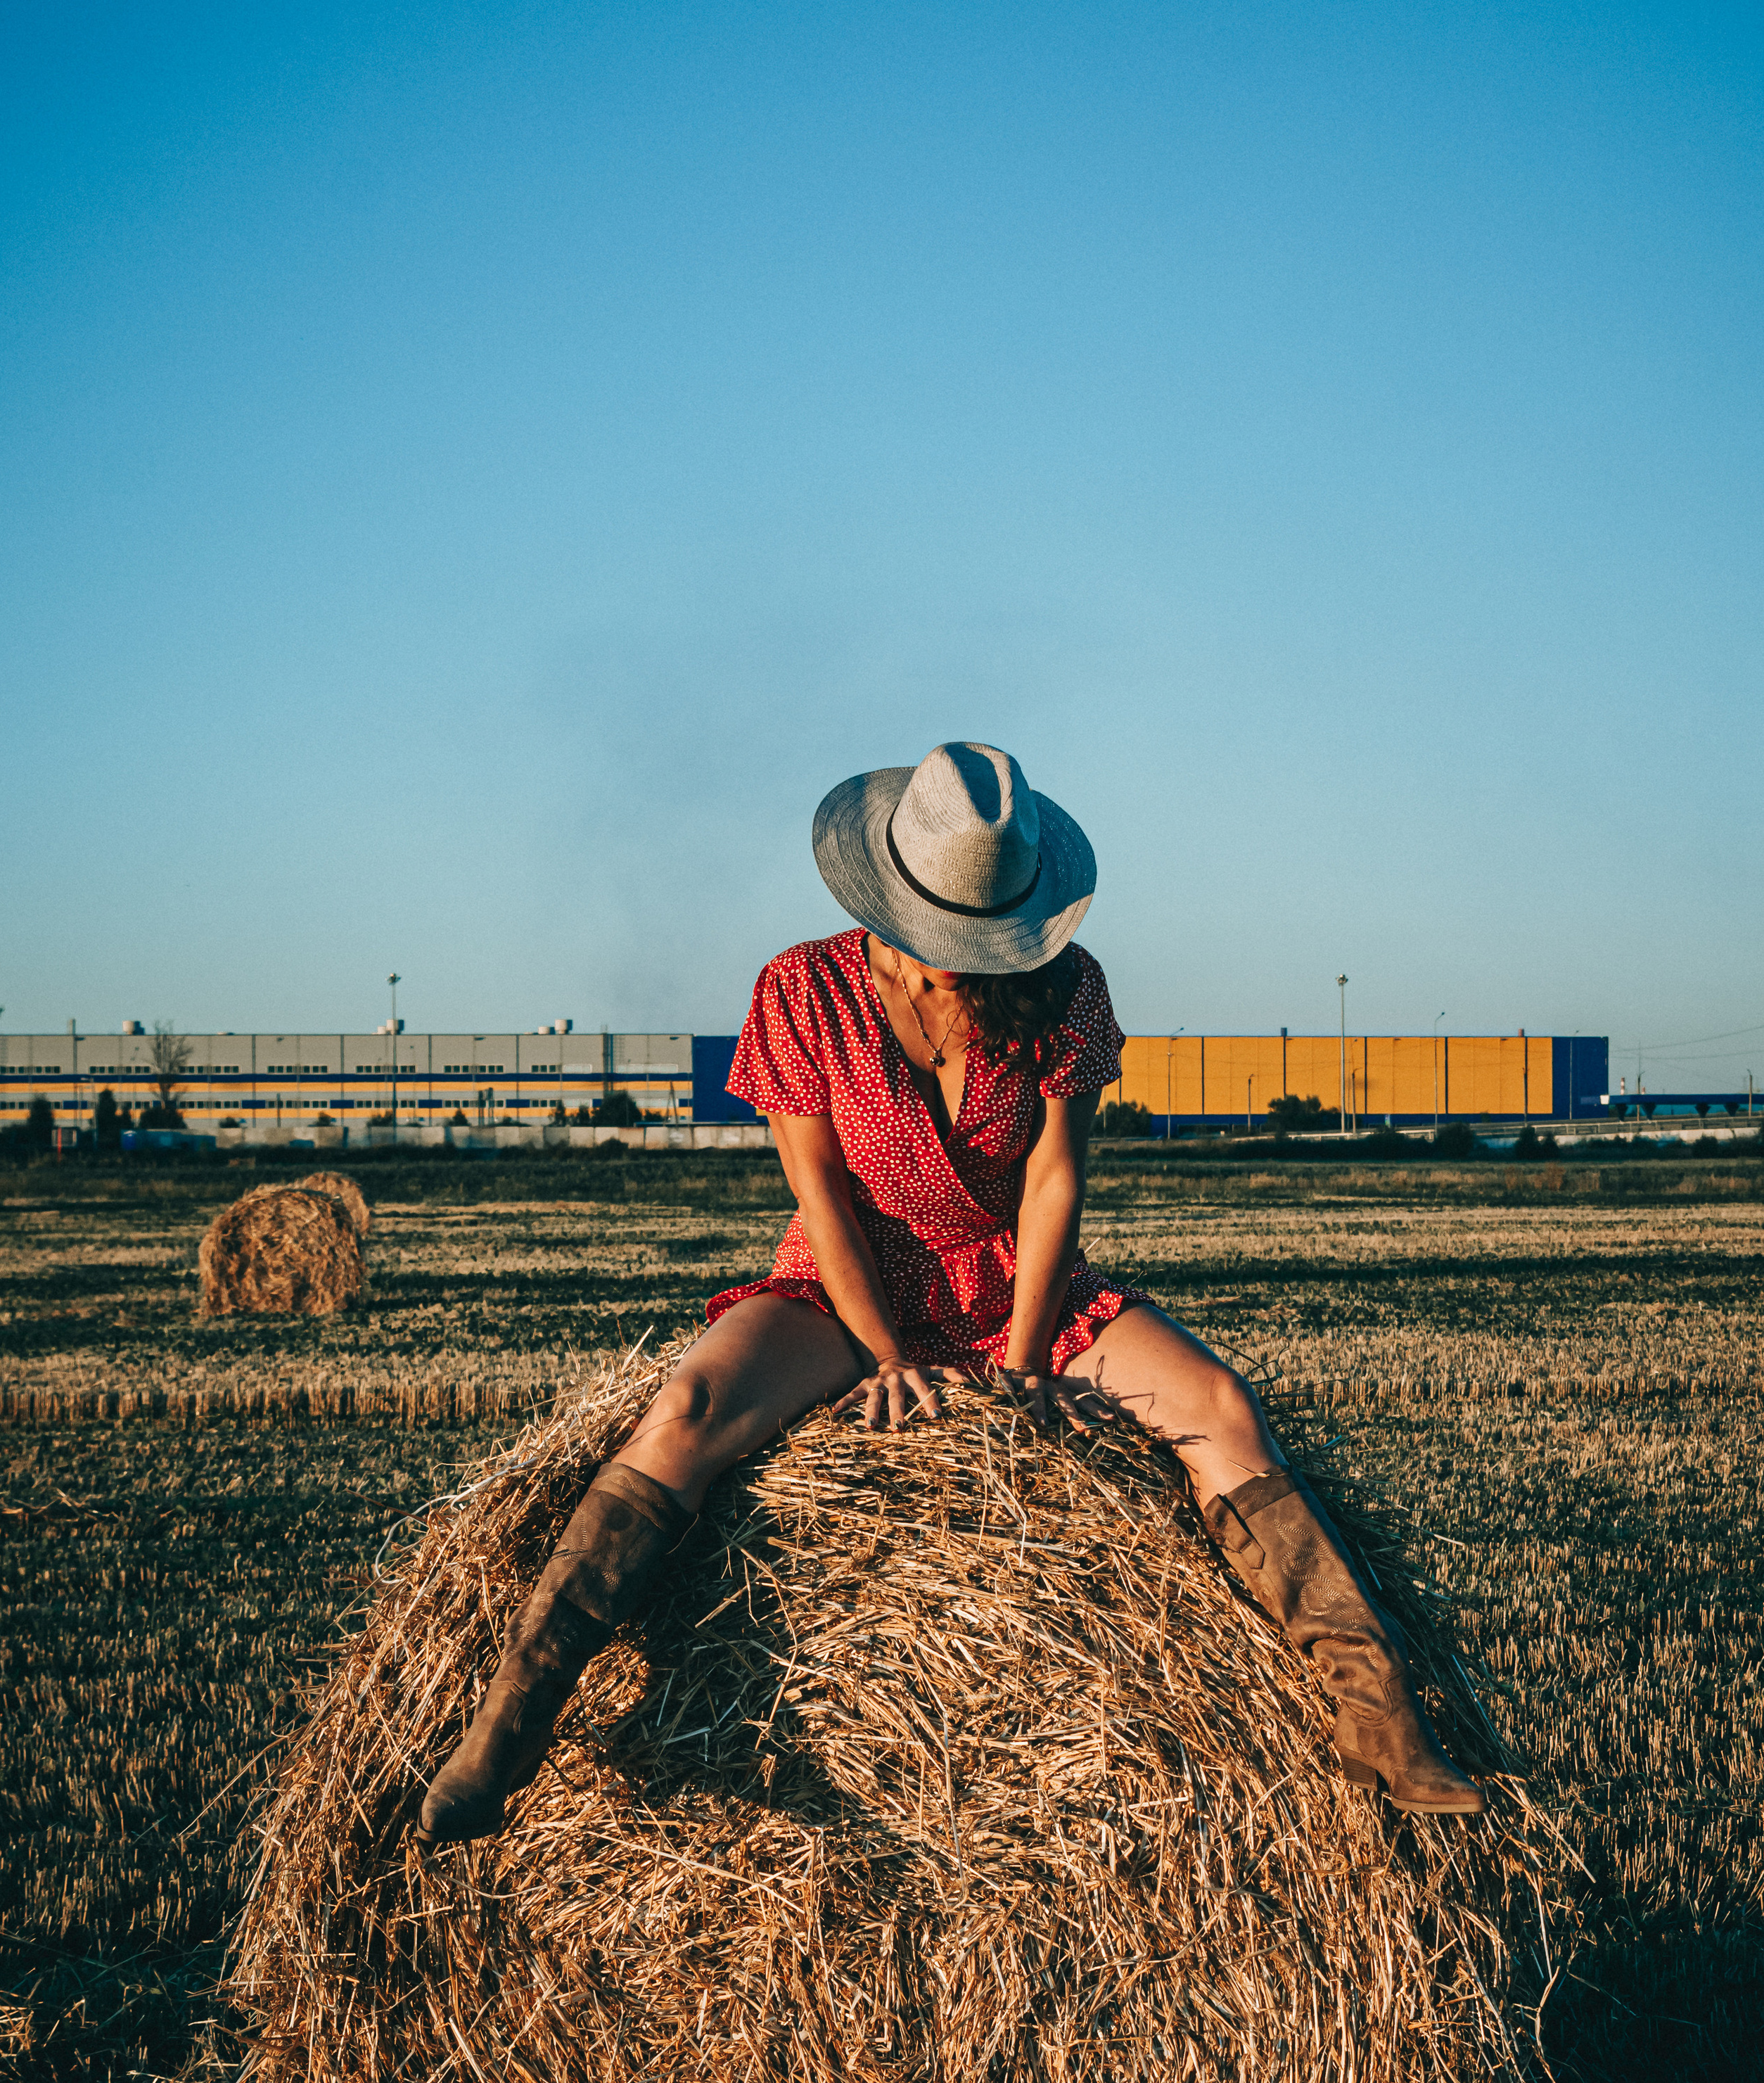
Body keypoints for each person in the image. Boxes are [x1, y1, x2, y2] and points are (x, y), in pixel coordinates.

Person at [418, 743, 1483, 1842]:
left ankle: (1382, 1725)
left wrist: (1023, 1366)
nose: (964, 965)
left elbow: (1056, 1176)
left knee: (1220, 1410)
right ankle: (512, 1726)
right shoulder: (800, 990)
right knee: (685, 1414)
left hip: (1019, 1279)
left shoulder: (1068, 988)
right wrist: (885, 1359)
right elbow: (820, 1195)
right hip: (849, 1284)